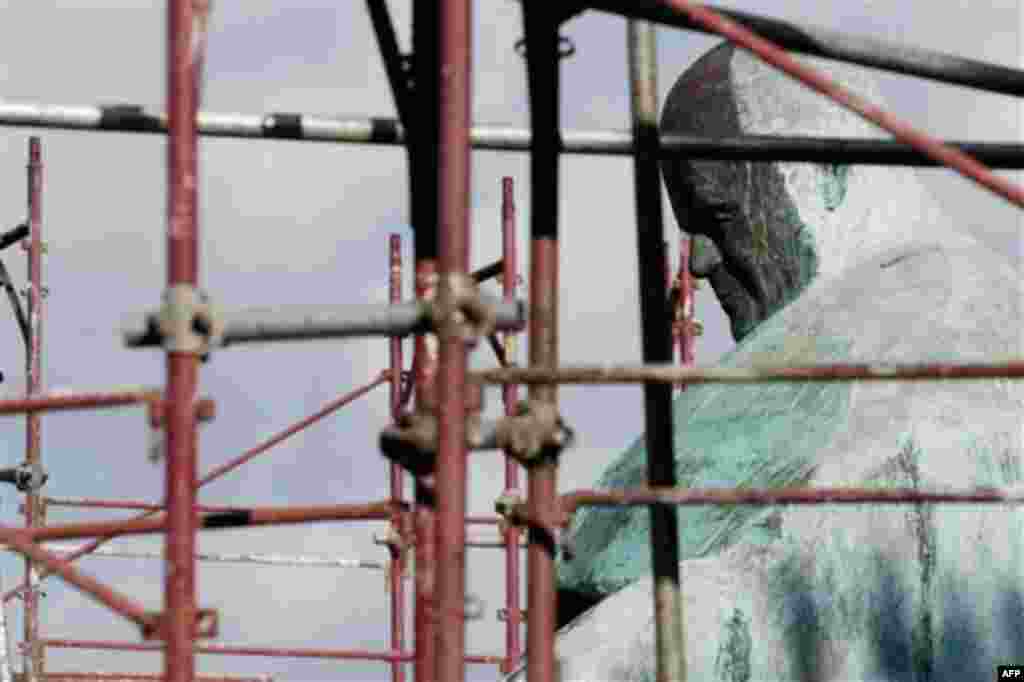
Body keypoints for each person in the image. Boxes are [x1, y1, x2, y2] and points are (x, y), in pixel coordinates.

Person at [513, 42, 1024, 681]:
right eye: (688, 225)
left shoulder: (922, 318)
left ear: (826, 174)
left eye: (719, 214)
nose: (698, 262)